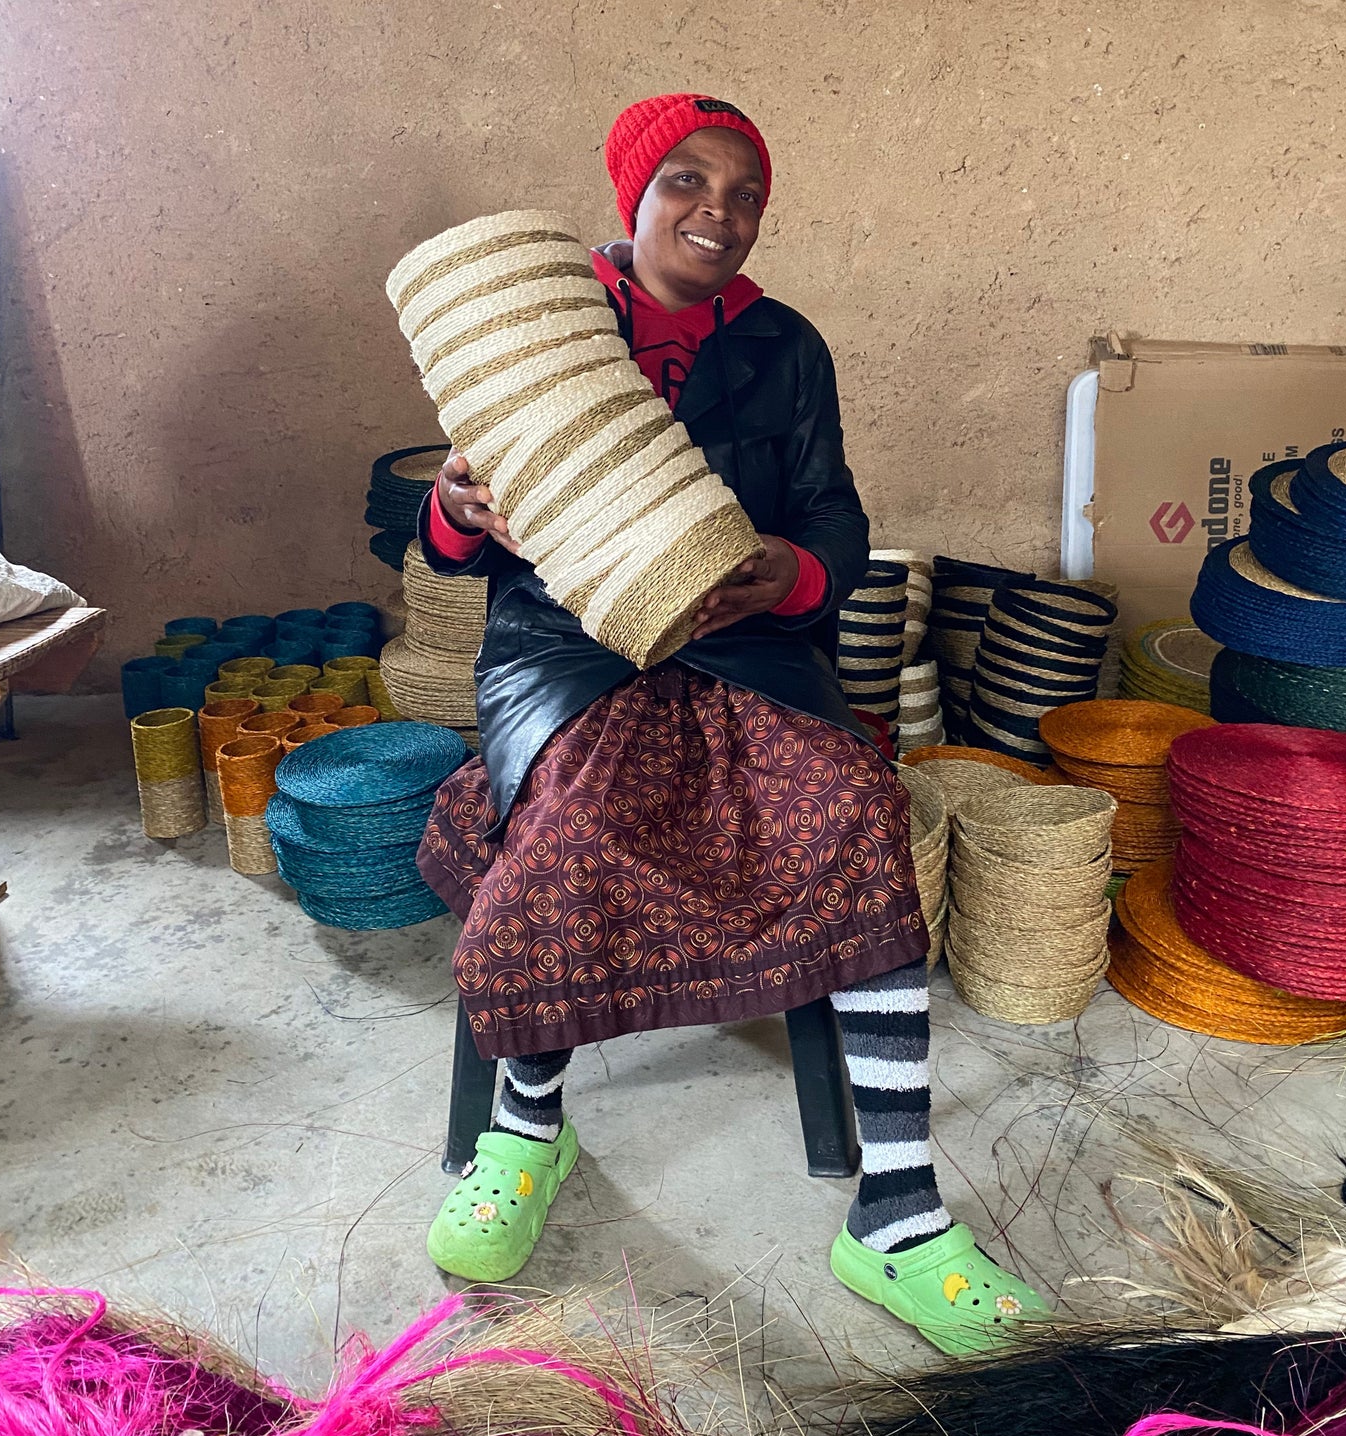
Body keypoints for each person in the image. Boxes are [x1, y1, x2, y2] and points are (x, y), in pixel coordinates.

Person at [412, 93, 1046, 1355]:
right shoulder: (541, 323)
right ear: (632, 196)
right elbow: (440, 543)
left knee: (854, 811)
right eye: (686, 183)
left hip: (748, 642)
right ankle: (526, 1128)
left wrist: (785, 573)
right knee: (568, 824)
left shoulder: (785, 346)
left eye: (744, 192)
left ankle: (898, 1212)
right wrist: (454, 508)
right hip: (565, 649)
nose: (717, 212)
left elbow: (834, 522)